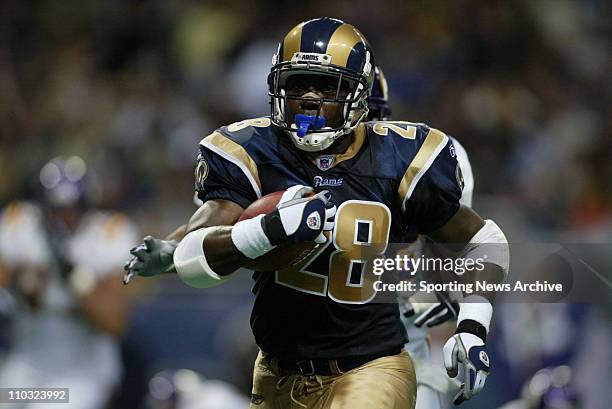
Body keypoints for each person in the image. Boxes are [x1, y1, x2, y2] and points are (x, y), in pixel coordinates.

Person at [124, 17, 509, 409]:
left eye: (328, 88)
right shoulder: (253, 150)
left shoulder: (408, 157)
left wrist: (468, 321)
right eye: (298, 84)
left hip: (383, 354)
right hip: (281, 365)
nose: (310, 100)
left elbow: (477, 243)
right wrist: (267, 231)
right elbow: (198, 251)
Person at [367, 65, 475, 409]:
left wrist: (436, 289)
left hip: (398, 360)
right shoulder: (285, 160)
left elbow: (459, 264)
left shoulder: (416, 160)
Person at [0, 156, 139, 409]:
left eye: (74, 208)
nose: (65, 216)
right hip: (27, 366)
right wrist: (20, 282)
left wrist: (73, 276)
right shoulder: (20, 222)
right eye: (57, 207)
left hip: (81, 373)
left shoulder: (109, 232)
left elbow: (115, 322)